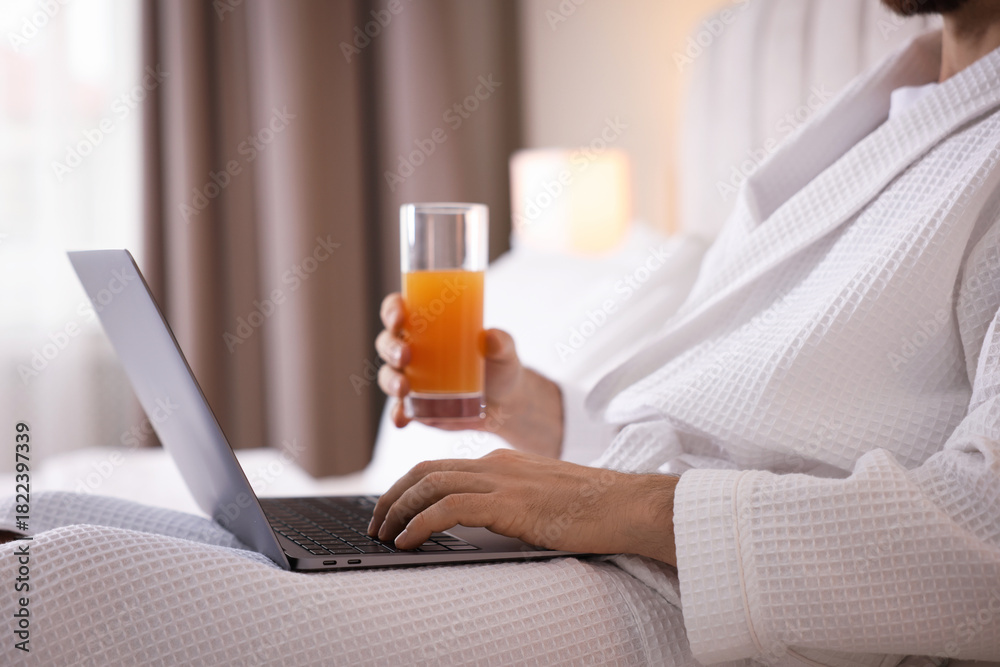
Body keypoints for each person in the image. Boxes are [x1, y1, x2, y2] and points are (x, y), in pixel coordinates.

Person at [369, 0, 1000, 663]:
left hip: (717, 609)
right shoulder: (880, 116)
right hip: (631, 556)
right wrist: (528, 408)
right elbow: (721, 430)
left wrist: (622, 506)